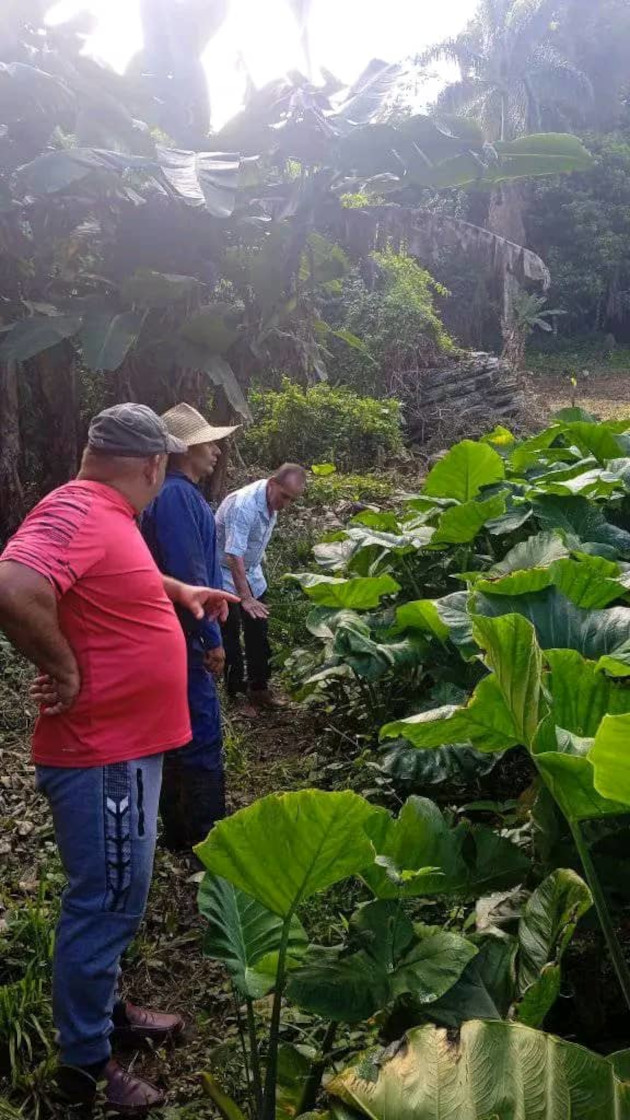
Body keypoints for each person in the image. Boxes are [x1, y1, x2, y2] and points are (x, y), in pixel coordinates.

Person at [0, 404, 236, 1116]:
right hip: (103, 754)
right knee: (103, 902)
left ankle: (108, 1014)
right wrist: (63, 668)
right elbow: (13, 585)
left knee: (118, 896)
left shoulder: (108, 512)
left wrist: (179, 590)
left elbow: (117, 575)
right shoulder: (76, 509)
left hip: (127, 751)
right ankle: (84, 1067)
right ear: (154, 465)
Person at [141, 402, 238, 849]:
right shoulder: (178, 497)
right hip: (182, 636)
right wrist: (211, 639)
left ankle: (179, 833)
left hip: (172, 633)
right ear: (184, 450)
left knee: (176, 730)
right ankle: (206, 839)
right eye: (207, 443)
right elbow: (188, 573)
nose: (216, 451)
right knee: (200, 733)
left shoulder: (174, 494)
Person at [216, 463, 307, 712]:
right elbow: (233, 554)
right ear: (272, 483)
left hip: (251, 573)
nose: (286, 504)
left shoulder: (270, 500)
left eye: (292, 499)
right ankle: (235, 694)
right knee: (231, 635)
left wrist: (251, 591)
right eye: (284, 496)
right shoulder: (243, 505)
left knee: (258, 631)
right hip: (225, 574)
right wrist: (245, 598)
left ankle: (259, 689)